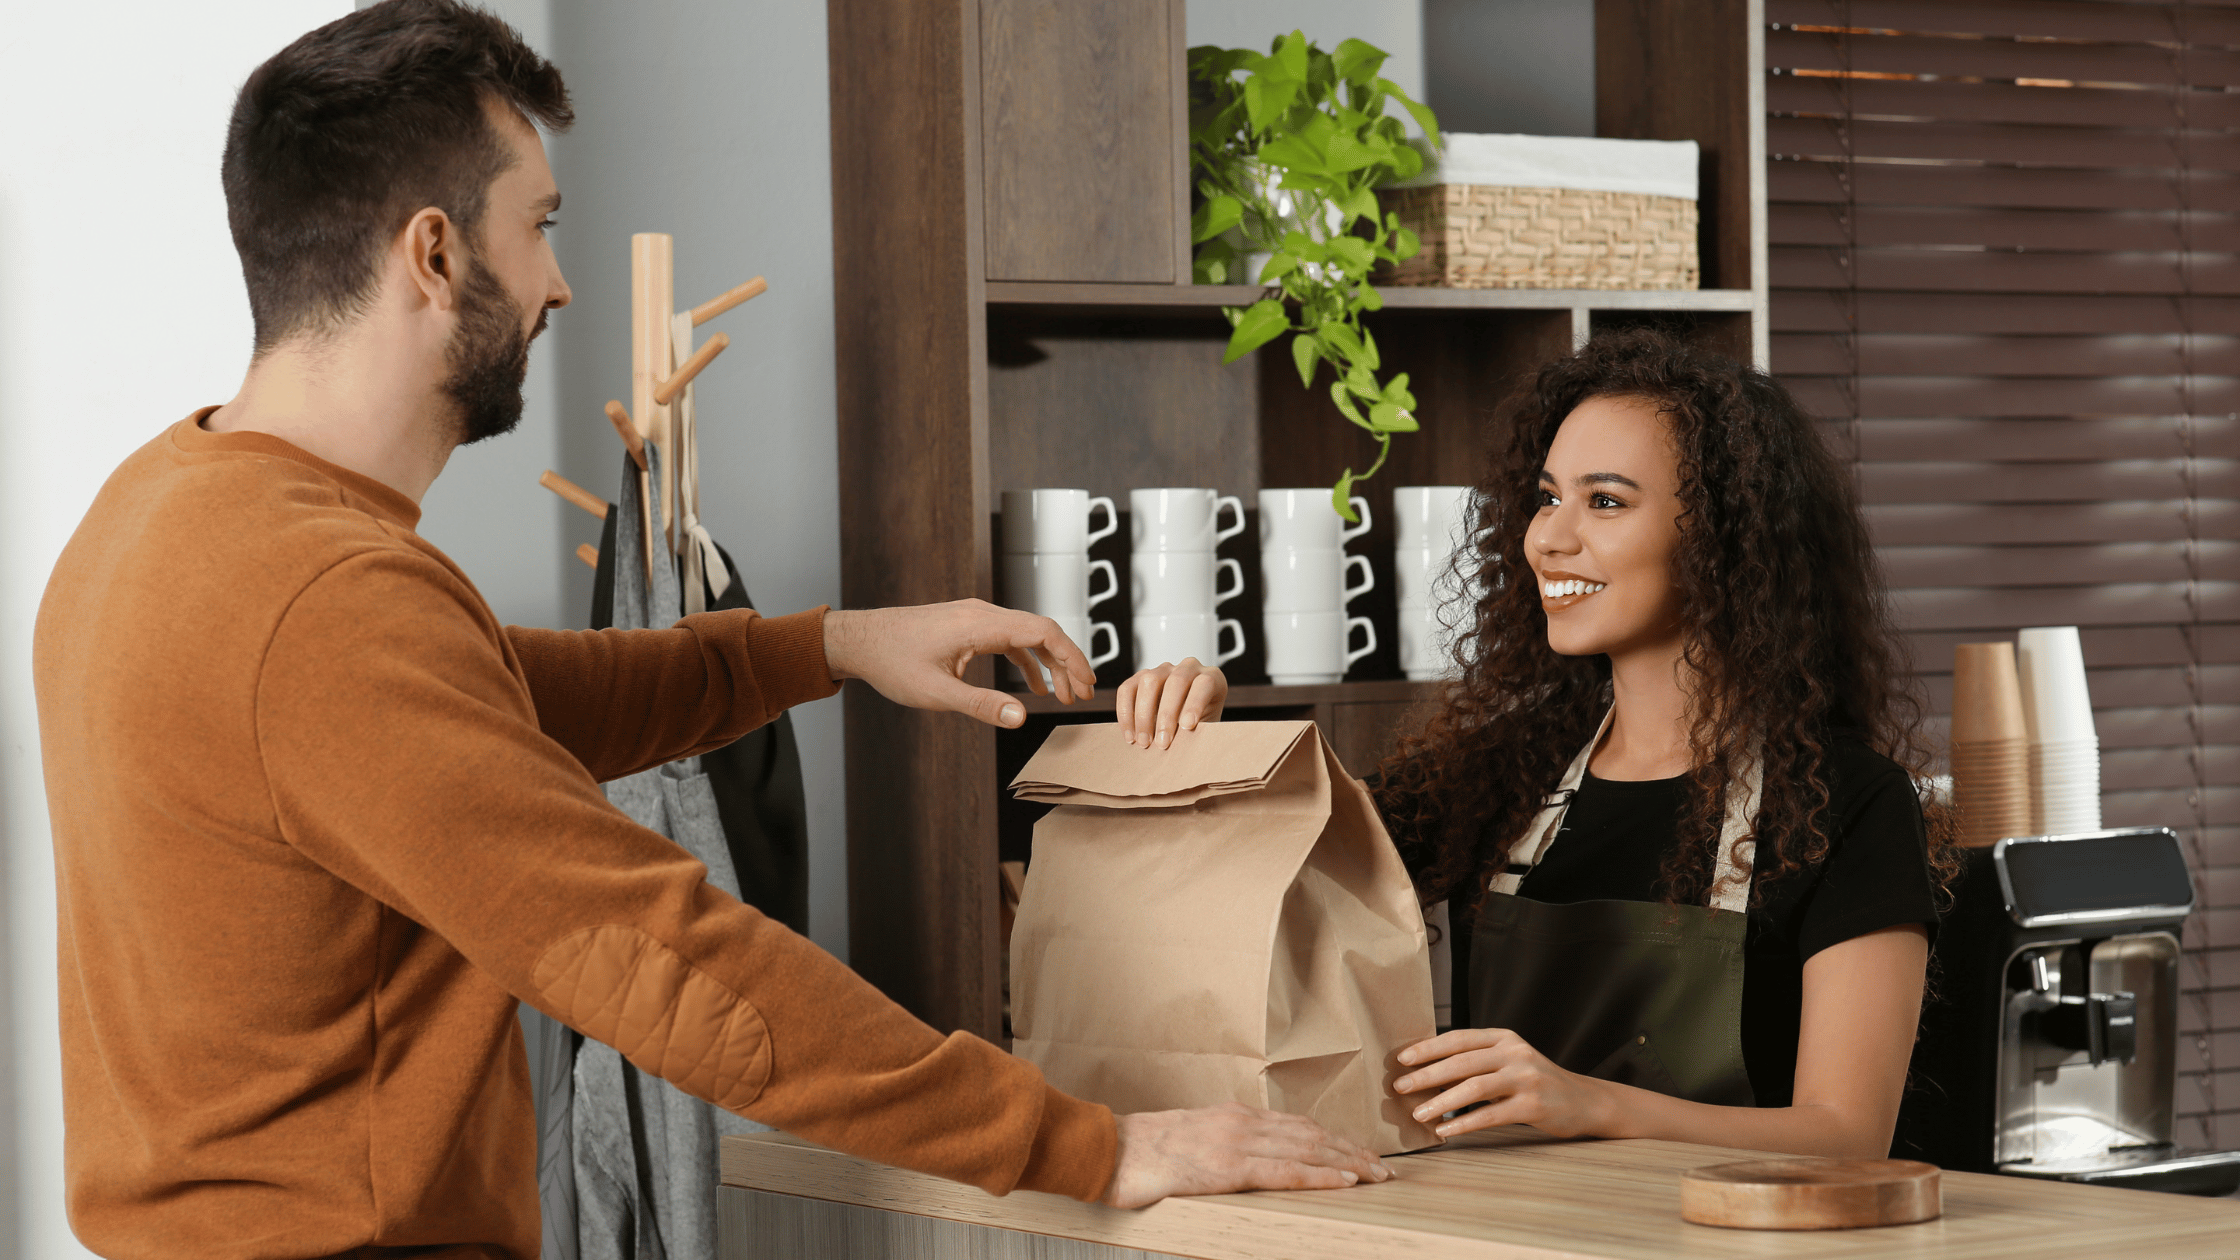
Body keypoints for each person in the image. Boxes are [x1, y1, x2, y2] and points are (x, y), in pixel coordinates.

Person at [31, 4, 1387, 1256]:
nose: (559, 287)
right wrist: (1085, 1145)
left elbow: (491, 699)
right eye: (539, 226)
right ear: (434, 254)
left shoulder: (162, 514)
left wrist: (827, 646)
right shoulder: (326, 603)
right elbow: (658, 956)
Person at [1118, 329, 1955, 1159]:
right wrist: (1208, 742)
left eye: (1606, 502)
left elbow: (1847, 1136)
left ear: (1725, 537)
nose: (1547, 537)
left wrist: (1590, 1103)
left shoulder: (1848, 806)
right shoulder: (1496, 776)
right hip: (1505, 1225)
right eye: (1548, 497)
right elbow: (1261, 886)